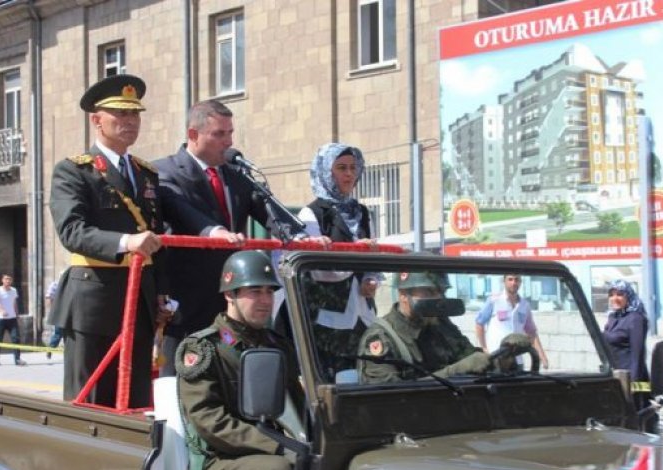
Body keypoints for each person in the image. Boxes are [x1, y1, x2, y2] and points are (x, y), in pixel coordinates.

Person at [157, 99, 326, 377]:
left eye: (230, 133)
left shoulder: (236, 174)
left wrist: (298, 237)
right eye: (219, 134)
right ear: (192, 134)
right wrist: (214, 233)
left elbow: (267, 208)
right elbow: (182, 211)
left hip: (231, 299)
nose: (228, 141)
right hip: (188, 302)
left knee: (230, 378)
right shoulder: (166, 171)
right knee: (183, 379)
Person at [48, 74, 170, 408]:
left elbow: (156, 237)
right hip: (94, 301)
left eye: (135, 114)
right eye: (120, 113)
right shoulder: (74, 171)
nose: (130, 121)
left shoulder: (146, 173)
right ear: (96, 120)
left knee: (135, 400)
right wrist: (127, 241)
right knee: (90, 402)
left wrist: (160, 293)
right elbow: (72, 231)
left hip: (140, 301)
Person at [176, 250, 302, 470]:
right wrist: (279, 447)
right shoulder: (204, 348)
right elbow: (211, 421)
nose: (265, 301)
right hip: (218, 463)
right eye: (255, 291)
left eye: (270, 292)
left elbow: (299, 403)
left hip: (273, 451)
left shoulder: (276, 343)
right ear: (230, 294)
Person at [294, 142, 380, 379]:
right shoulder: (311, 214)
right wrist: (355, 255)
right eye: (341, 167)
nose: (349, 174)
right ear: (325, 171)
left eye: (353, 167)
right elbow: (317, 270)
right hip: (329, 321)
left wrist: (372, 279)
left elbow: (375, 256)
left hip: (364, 317)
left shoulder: (361, 212)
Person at [357, 271, 496, 383]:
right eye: (429, 292)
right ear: (403, 295)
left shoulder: (442, 326)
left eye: (442, 292)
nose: (438, 299)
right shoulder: (381, 338)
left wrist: (502, 358)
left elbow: (472, 360)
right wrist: (455, 371)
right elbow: (385, 397)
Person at [601, 279, 654, 431]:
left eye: (619, 294)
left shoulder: (636, 319)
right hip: (615, 378)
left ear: (628, 296)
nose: (614, 298)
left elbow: (638, 355)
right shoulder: (613, 317)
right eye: (611, 294)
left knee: (635, 426)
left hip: (631, 379)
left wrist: (634, 386)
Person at [475, 273, 548, 370]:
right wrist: (484, 348)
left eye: (517, 280)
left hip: (517, 360)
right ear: (504, 281)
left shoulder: (524, 305)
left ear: (520, 282)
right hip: (497, 358)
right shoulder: (494, 300)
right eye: (510, 279)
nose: (514, 283)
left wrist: (542, 356)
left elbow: (531, 333)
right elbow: (479, 323)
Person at [0, 273, 25, 366]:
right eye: (6, 279)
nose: (8, 281)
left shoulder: (14, 290)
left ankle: (17, 359)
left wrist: (17, 315)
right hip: (0, 319)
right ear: (2, 280)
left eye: (9, 279)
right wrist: (1, 311)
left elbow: (14, 303)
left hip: (12, 318)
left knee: (16, 338)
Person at [44, 274, 64, 360]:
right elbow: (48, 297)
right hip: (59, 312)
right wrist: (52, 311)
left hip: (69, 311)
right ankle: (50, 349)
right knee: (58, 333)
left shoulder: (70, 285)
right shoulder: (55, 285)